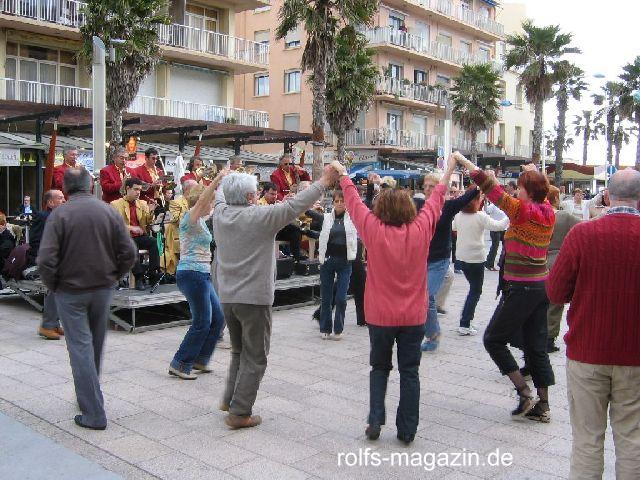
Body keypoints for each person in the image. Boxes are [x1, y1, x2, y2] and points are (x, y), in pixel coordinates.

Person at [332, 157, 455, 444]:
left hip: (380, 316)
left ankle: (375, 421)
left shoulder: (373, 230)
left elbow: (354, 203)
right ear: (410, 208)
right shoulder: (422, 228)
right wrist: (448, 171)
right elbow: (437, 198)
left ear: (381, 209)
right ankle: (407, 429)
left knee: (379, 368)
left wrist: (343, 175)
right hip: (414, 316)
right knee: (410, 372)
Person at [213, 167, 339, 429]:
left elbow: (219, 195)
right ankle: (239, 412)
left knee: (239, 350)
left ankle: (230, 399)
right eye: (255, 192)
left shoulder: (221, 214)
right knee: (256, 356)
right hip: (254, 299)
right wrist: (325, 182)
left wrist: (222, 177)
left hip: (227, 296)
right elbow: (296, 205)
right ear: (250, 197)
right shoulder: (260, 217)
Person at [547, 168, 640, 480]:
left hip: (588, 353)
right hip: (636, 358)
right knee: (633, 440)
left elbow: (556, 291)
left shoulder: (583, 235)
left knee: (587, 440)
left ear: (607, 196)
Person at [455, 152, 555, 423]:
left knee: (493, 339)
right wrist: (536, 173)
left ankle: (524, 392)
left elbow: (491, 188)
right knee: (536, 346)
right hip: (540, 287)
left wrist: (466, 164)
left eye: (521, 186)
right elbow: (543, 192)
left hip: (521, 288)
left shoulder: (521, 210)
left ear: (527, 191)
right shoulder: (548, 212)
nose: (517, 190)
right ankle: (543, 406)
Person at [37, 167, 137, 430]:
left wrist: (54, 286)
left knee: (80, 348)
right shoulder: (108, 212)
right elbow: (129, 252)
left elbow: (45, 259)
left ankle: (93, 412)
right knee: (94, 347)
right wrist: (114, 275)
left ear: (66, 189)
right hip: (102, 289)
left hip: (71, 291)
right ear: (91, 185)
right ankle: (90, 397)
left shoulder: (60, 215)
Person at [169, 172, 227, 379]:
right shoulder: (190, 217)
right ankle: (181, 363)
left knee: (218, 317)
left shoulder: (201, 220)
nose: (211, 205)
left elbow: (215, 205)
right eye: (210, 202)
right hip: (191, 274)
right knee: (202, 321)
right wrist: (217, 179)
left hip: (202, 274)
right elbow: (203, 199)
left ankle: (200, 359)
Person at [415, 175, 479, 351]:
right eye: (425, 186)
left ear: (440, 188)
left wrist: (482, 179)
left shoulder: (448, 207)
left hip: (439, 261)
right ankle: (428, 332)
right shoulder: (419, 206)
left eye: (431, 186)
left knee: (426, 297)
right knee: (427, 299)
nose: (427, 189)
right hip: (421, 260)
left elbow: (469, 196)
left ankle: (433, 335)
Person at [453, 192, 509, 336]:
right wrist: (510, 214)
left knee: (473, 289)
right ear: (477, 201)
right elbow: (499, 226)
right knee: (475, 291)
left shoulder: (459, 215)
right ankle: (465, 323)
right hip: (476, 259)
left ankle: (466, 321)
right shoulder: (480, 216)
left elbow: (453, 228)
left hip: (461, 258)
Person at [545, 186, 581, 353]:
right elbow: (584, 227)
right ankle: (549, 339)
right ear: (556, 198)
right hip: (556, 261)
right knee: (555, 302)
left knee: (539, 301)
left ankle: (534, 334)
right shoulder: (565, 217)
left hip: (536, 261)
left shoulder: (537, 215)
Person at [27, 190, 66, 340]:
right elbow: (36, 240)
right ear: (50, 202)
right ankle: (47, 326)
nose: (64, 200)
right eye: (60, 198)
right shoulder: (44, 217)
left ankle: (54, 324)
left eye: (64, 197)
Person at [318, 190, 357, 340]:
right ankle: (325, 327)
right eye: (337, 201)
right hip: (328, 260)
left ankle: (339, 328)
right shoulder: (327, 218)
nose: (340, 203)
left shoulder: (353, 218)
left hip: (345, 262)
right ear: (333, 202)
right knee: (326, 297)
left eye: (343, 201)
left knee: (341, 298)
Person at [110, 177, 160, 290]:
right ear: (128, 189)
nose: (138, 192)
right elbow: (113, 225)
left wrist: (151, 211)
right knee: (132, 244)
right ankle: (139, 277)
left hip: (140, 236)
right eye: (136, 189)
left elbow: (148, 223)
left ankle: (153, 273)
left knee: (153, 242)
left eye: (140, 190)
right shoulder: (115, 204)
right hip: (124, 238)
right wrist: (131, 228)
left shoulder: (142, 203)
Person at [258, 182, 305, 261]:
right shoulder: (259, 203)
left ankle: (296, 259)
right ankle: (305, 232)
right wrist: (282, 206)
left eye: (275, 194)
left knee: (295, 232)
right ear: (265, 192)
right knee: (294, 228)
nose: (274, 197)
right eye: (272, 194)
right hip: (266, 231)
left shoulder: (277, 203)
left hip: (278, 230)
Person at [484, 199, 508, 271]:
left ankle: (501, 262)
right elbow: (487, 211)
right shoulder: (493, 206)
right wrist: (485, 203)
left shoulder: (504, 206)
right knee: (495, 246)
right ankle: (489, 263)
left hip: (504, 228)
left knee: (505, 246)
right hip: (494, 229)